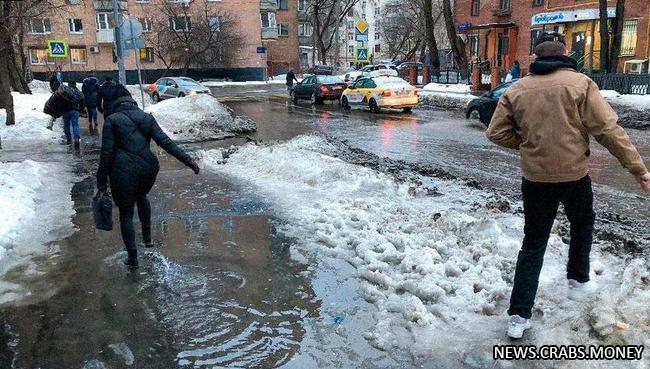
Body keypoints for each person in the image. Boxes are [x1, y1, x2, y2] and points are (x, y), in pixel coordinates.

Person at [486, 32, 650, 339]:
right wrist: (638, 170)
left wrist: (527, 144)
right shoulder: (581, 84)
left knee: (533, 244)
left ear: (535, 58)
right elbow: (609, 131)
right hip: (575, 176)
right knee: (583, 222)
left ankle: (518, 316)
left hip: (535, 180)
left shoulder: (518, 89)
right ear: (564, 55)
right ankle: (578, 279)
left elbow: (495, 133)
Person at [96, 86, 200, 268]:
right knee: (141, 196)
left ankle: (133, 257)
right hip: (148, 170)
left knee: (126, 213)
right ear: (131, 101)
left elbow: (106, 154)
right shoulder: (146, 118)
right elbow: (165, 142)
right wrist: (188, 160)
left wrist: (101, 181)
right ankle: (148, 238)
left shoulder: (112, 121)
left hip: (122, 172)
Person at [62, 81, 84, 148]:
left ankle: (69, 139)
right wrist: (81, 109)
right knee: (75, 125)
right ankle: (76, 139)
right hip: (74, 110)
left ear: (68, 85)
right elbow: (82, 100)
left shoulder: (65, 91)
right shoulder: (77, 92)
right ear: (75, 85)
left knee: (66, 125)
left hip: (65, 111)